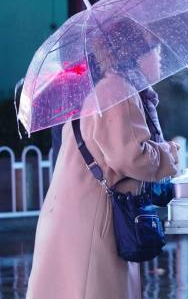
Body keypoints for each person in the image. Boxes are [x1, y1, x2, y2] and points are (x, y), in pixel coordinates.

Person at [26, 18, 180, 299]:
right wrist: (170, 152)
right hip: (89, 226)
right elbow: (133, 159)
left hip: (78, 217)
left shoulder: (108, 88)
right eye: (155, 49)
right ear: (135, 53)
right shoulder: (117, 91)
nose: (159, 56)